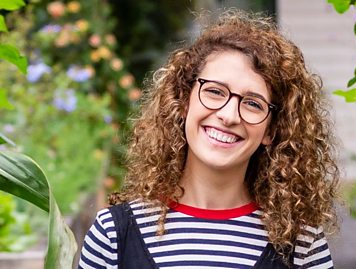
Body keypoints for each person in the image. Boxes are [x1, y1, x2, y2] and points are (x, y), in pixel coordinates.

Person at [79, 9, 339, 269]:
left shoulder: (302, 245)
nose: (228, 116)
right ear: (183, 101)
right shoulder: (113, 235)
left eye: (252, 103)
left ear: (271, 131)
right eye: (215, 91)